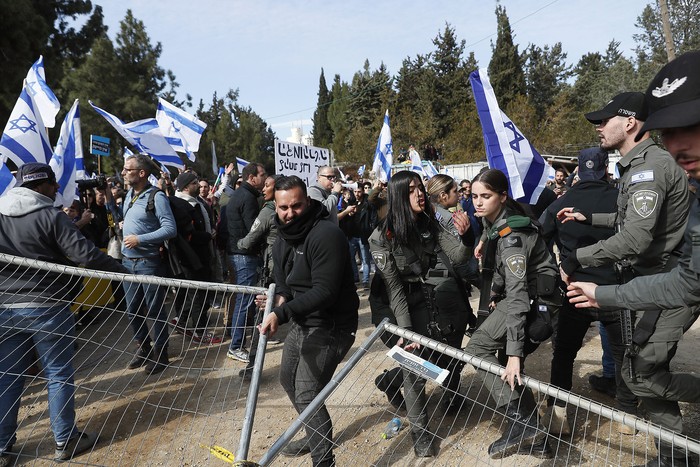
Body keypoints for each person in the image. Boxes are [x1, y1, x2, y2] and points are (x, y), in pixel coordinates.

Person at [567, 50, 700, 467]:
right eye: (669, 130)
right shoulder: (637, 167)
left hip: (665, 279)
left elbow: (637, 238)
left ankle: (676, 455)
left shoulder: (648, 169)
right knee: (637, 370)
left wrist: (579, 257)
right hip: (660, 282)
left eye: (604, 121)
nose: (599, 129)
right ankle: (673, 453)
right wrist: (591, 216)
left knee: (641, 372)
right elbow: (637, 219)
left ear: (630, 122)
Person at [0, 163, 126, 464]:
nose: (57, 189)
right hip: (48, 305)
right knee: (58, 374)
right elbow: (84, 254)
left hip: (6, 308)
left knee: (7, 377)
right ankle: (65, 439)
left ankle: (2, 446)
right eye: (53, 184)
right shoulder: (49, 215)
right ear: (40, 185)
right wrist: (122, 271)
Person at [368, 171, 472, 458]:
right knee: (413, 364)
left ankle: (392, 381)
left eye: (420, 188)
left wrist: (467, 233)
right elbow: (394, 291)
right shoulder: (380, 237)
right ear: (399, 197)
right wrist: (406, 333)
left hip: (423, 295)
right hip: (390, 303)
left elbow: (459, 257)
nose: (419, 193)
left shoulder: (429, 221)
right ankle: (420, 432)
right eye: (411, 190)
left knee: (442, 353)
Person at [257, 176, 358, 467]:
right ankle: (315, 433)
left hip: (331, 326)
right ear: (274, 207)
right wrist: (277, 302)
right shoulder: (282, 237)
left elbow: (324, 291)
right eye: (283, 208)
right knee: (288, 381)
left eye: (297, 206)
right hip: (303, 322)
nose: (290, 213)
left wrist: (282, 313)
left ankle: (323, 461)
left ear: (309, 202)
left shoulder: (326, 234)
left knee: (307, 393)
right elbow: (285, 285)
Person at [538, 148, 637, 434]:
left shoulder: (561, 203)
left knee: (565, 352)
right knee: (622, 353)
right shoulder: (621, 199)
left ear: (578, 171)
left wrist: (554, 272)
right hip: (614, 288)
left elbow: (539, 238)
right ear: (606, 169)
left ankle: (559, 414)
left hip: (575, 288)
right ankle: (626, 417)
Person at [465, 169, 560, 460]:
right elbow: (488, 227)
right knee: (504, 365)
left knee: (478, 349)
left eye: (486, 196)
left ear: (503, 197)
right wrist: (483, 238)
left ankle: (521, 422)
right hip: (523, 294)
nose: (478, 203)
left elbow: (518, 297)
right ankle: (537, 439)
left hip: (534, 300)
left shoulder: (511, 237)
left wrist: (515, 352)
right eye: (474, 196)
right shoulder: (493, 221)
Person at [120, 154, 177, 375]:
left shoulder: (157, 197)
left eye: (128, 170)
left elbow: (170, 229)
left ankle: (161, 354)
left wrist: (139, 239)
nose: (123, 173)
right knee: (133, 309)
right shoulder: (129, 195)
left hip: (148, 263)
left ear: (141, 173)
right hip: (127, 263)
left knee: (154, 309)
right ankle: (144, 347)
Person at [170, 172, 222, 345]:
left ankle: (182, 320)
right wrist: (207, 236)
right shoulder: (180, 205)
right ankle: (199, 331)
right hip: (192, 259)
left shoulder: (194, 202)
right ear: (185, 187)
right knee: (199, 293)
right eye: (195, 184)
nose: (199, 187)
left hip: (201, 256)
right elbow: (188, 236)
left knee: (195, 292)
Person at [237, 174, 281, 378]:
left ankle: (252, 368)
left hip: (272, 272)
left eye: (267, 186)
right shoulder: (293, 209)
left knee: (261, 319)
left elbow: (249, 240)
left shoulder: (269, 211)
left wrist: (237, 244)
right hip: (287, 270)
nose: (263, 189)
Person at [226, 162, 267, 363]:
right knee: (244, 301)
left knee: (244, 300)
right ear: (252, 178)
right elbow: (254, 230)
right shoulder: (248, 198)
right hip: (244, 255)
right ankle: (236, 345)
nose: (265, 178)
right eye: (262, 175)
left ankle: (239, 341)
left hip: (239, 253)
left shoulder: (242, 195)